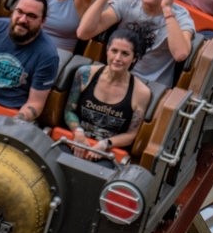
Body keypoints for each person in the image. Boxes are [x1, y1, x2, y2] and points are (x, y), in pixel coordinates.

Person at [77, 0, 196, 88]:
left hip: (151, 88)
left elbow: (180, 54)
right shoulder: (128, 2)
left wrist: (167, 10)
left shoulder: (180, 16)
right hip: (116, 80)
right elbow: (83, 33)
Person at [63, 24, 156, 161]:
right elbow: (69, 111)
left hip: (108, 153)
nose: (117, 58)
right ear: (107, 50)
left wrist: (105, 144)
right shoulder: (84, 74)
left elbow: (131, 135)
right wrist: (78, 132)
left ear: (134, 57)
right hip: (76, 140)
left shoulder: (141, 92)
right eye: (114, 51)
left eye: (125, 54)